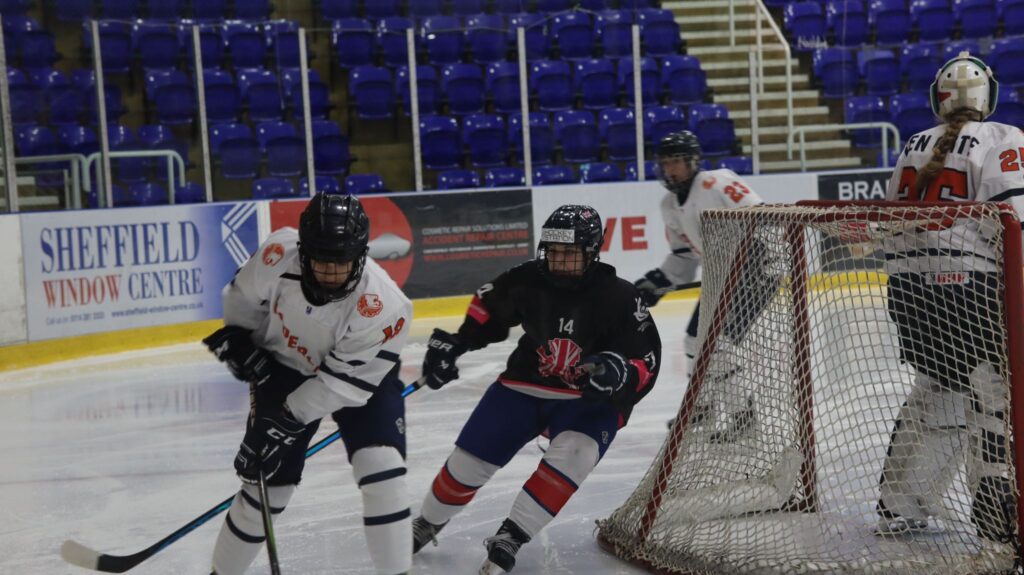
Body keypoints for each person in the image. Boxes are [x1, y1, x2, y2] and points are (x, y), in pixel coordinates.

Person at [409, 205, 662, 573]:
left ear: (592, 253)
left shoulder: (620, 297)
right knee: (469, 462)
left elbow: (647, 361)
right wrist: (457, 343)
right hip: (526, 382)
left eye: (570, 254)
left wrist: (619, 373)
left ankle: (512, 535)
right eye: (553, 252)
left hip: (587, 397)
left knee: (575, 453)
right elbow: (487, 307)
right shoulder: (526, 278)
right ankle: (429, 521)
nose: (559, 262)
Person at [202, 193, 414, 575]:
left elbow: (344, 385)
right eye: (321, 261)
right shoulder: (278, 253)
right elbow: (242, 296)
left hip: (358, 382)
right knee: (266, 488)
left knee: (382, 470)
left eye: (342, 263)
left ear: (361, 255)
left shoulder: (385, 305)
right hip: (282, 368)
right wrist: (239, 337)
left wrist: (285, 418)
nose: (331, 274)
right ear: (303, 251)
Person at [876, 52, 1024, 541]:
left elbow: (891, 224)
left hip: (909, 294)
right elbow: (1013, 219)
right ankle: (994, 505)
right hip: (970, 291)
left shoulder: (914, 143)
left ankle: (901, 500)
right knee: (992, 396)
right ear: (989, 97)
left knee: (939, 387)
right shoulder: (1004, 138)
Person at [633, 130, 766, 440]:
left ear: (693, 161)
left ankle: (743, 416)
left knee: (719, 343)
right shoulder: (669, 204)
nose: (670, 169)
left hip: (757, 272)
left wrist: (750, 260)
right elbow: (682, 257)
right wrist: (656, 282)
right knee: (694, 340)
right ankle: (702, 405)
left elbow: (761, 214)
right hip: (722, 279)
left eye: (676, 161)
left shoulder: (716, 182)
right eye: (666, 163)